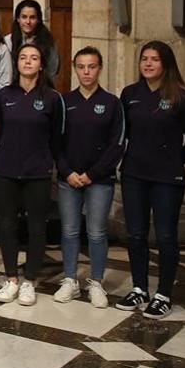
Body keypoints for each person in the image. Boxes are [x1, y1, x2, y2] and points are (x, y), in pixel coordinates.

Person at [115, 41, 185, 319]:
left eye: (154, 59)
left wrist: (175, 160)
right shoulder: (130, 94)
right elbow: (122, 133)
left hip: (167, 178)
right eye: (144, 59)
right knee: (136, 234)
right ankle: (139, 288)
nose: (148, 64)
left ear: (166, 63)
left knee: (166, 236)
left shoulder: (182, 96)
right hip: (134, 175)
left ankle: (163, 294)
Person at [0, 43, 65, 306]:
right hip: (6, 170)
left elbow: (56, 137)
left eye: (34, 58)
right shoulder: (3, 95)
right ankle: (11, 278)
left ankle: (29, 280)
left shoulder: (52, 98)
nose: (28, 62)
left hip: (38, 172)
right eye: (23, 57)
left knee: (36, 227)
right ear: (17, 63)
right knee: (8, 225)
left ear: (41, 64)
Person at [54, 46, 124, 308]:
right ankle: (70, 279)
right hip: (68, 179)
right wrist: (68, 172)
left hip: (99, 180)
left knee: (96, 233)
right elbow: (55, 143)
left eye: (91, 66)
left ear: (100, 68)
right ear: (75, 68)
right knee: (70, 231)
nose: (86, 72)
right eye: (81, 66)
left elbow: (116, 144)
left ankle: (96, 282)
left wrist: (92, 174)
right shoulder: (64, 101)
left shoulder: (111, 103)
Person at [5, 0, 59, 82]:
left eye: (32, 17)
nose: (28, 22)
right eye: (24, 17)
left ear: (38, 20)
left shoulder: (48, 42)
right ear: (18, 19)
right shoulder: (8, 42)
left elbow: (52, 71)